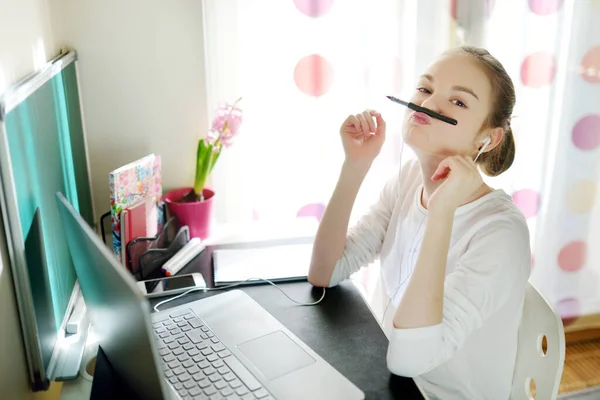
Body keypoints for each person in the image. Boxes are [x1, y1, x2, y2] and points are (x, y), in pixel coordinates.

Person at [307, 46, 531, 400]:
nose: (427, 105)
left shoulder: (501, 233)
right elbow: (325, 271)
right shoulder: (409, 179)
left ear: (487, 139)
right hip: (385, 379)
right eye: (425, 89)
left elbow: (410, 359)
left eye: (458, 102)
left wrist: (442, 212)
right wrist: (356, 164)